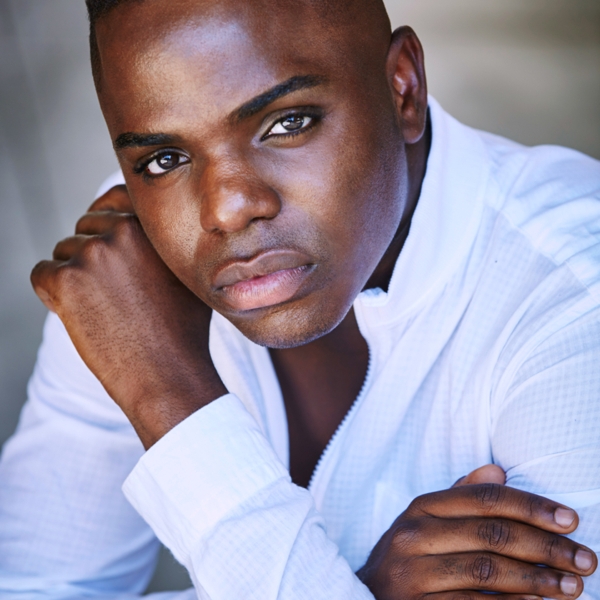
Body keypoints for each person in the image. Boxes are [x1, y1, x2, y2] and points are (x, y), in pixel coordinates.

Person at [0, 0, 599, 598]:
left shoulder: (577, 289)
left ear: (403, 88)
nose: (226, 209)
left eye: (287, 123)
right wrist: (356, 588)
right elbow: (35, 587)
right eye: (164, 159)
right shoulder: (126, 269)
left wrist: (170, 399)